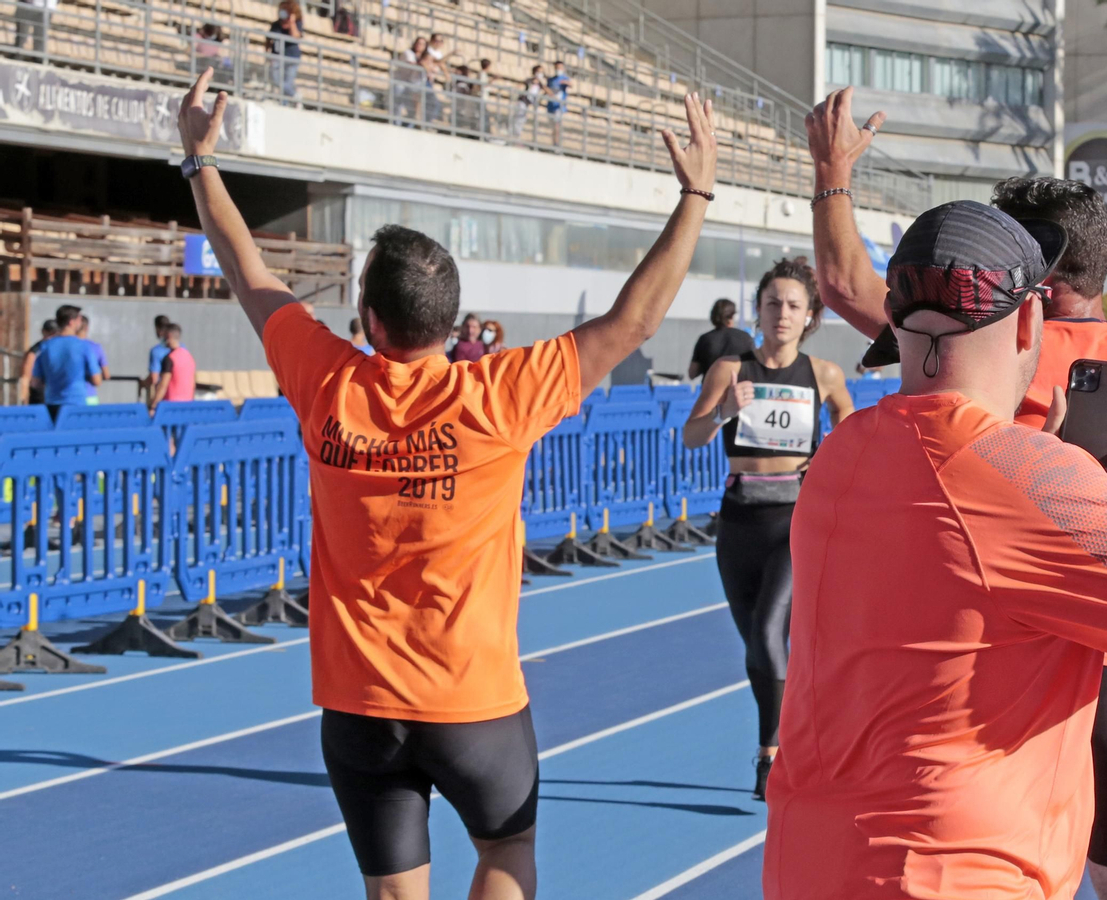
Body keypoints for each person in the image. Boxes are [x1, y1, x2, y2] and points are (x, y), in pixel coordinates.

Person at [177, 68, 718, 900]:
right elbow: (633, 322)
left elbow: (251, 276)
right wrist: (695, 194)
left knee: (394, 893)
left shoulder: (327, 381)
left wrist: (200, 163)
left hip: (358, 706)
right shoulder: (498, 394)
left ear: (368, 322)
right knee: (507, 854)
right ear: (453, 317)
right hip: (473, 701)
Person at [802, 86, 1107, 900]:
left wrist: (833, 175)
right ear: (1104, 262)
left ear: (1014, 284)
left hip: (987, 660)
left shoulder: (966, 346)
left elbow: (846, 284)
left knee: (1007, 839)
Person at [681, 259, 854, 800]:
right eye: (773, 303)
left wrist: (826, 462)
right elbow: (691, 436)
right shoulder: (729, 370)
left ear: (809, 317)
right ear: (757, 310)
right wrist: (723, 412)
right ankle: (792, 729)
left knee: (765, 635)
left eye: (794, 306)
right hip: (738, 519)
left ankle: (769, 755)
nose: (782, 314)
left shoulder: (823, 374)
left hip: (793, 521)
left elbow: (850, 432)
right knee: (758, 653)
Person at [31, 305, 102, 419]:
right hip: (77, 405)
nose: (80, 322)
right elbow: (97, 380)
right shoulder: (84, 346)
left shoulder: (45, 346)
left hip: (51, 405)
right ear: (71, 322)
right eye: (79, 319)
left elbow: (35, 382)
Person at [687, 298, 754, 380]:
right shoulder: (745, 338)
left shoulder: (705, 339)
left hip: (711, 390)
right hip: (738, 390)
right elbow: (755, 367)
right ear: (731, 316)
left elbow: (692, 373)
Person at [148, 323, 197, 411]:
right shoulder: (189, 356)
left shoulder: (169, 358)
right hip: (188, 404)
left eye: (164, 336)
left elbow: (163, 385)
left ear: (169, 336)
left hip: (170, 406)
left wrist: (153, 406)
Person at [267, 1, 303, 102]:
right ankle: (294, 94)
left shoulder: (297, 23)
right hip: (277, 57)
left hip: (291, 58)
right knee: (276, 80)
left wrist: (291, 22)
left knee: (287, 83)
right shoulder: (276, 25)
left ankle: (290, 97)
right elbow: (268, 39)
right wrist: (267, 53)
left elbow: (296, 36)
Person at [18, 319, 59, 405]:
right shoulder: (36, 349)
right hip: (40, 392)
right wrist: (24, 395)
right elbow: (26, 373)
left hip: (51, 391)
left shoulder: (38, 348)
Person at [78, 313, 110, 406]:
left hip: (69, 398)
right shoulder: (95, 347)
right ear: (87, 328)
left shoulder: (68, 347)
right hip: (90, 396)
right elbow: (106, 374)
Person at [144, 315, 173, 400]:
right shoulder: (182, 349)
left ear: (157, 329)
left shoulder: (157, 351)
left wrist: (144, 383)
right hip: (181, 396)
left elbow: (154, 378)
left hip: (164, 397)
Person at [546, 60, 571, 145]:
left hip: (559, 106)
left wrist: (566, 83)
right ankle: (554, 143)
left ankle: (557, 144)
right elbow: (547, 89)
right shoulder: (551, 79)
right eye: (557, 68)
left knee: (557, 126)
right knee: (553, 127)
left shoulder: (564, 78)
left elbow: (571, 85)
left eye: (560, 68)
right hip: (550, 105)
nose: (558, 69)